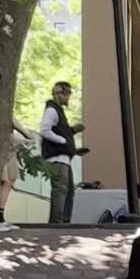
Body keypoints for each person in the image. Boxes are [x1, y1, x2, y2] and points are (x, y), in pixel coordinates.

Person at [40, 81, 85, 224]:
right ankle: (56, 222)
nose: (68, 98)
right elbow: (44, 130)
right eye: (67, 94)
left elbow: (59, 131)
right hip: (57, 159)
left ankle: (64, 221)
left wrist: (72, 134)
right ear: (60, 94)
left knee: (68, 191)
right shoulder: (52, 110)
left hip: (64, 159)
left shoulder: (58, 112)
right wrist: (64, 141)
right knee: (60, 190)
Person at [0, 120, 34, 232]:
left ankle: (0, 218)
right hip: (1, 147)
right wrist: (26, 134)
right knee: (3, 181)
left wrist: (26, 137)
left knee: (10, 181)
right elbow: (11, 120)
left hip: (11, 148)